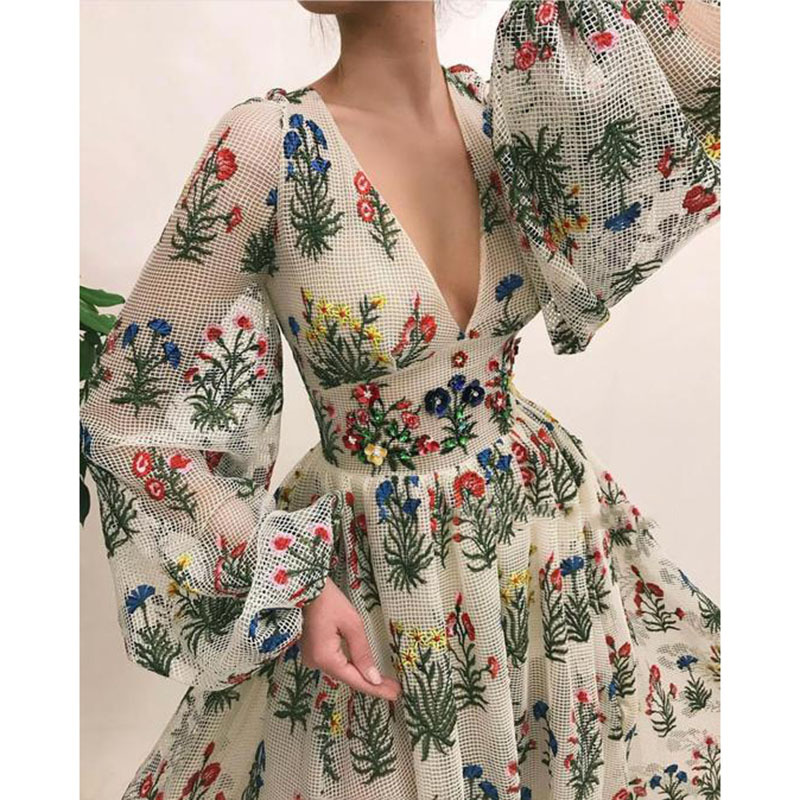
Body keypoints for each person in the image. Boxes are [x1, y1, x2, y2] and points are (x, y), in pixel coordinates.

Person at [80, 1, 721, 798]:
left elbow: (718, 97)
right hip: (378, 585)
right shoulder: (268, 147)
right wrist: (291, 579)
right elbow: (122, 414)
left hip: (543, 547)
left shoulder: (505, 112)